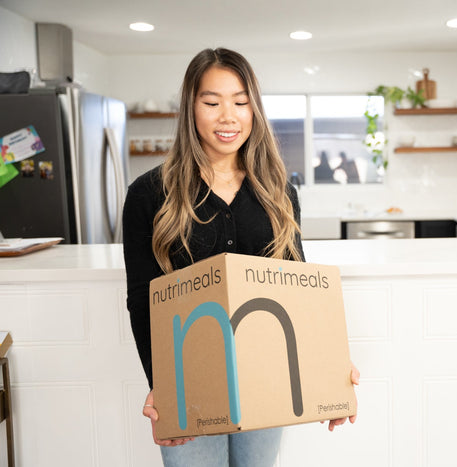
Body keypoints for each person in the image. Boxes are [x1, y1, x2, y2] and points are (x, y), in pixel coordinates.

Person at [122, 47, 359, 467]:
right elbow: (143, 299)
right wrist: (162, 385)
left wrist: (331, 373)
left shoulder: (277, 192)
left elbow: (300, 290)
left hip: (266, 375)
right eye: (212, 103)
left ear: (255, 110)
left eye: (241, 102)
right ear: (191, 109)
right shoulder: (149, 194)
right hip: (190, 383)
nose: (228, 116)